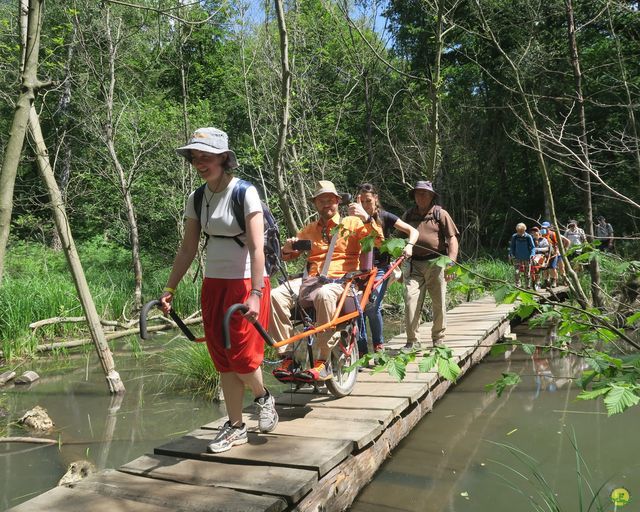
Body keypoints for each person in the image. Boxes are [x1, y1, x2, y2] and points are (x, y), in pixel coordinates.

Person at [160, 127, 277, 454]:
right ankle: (236, 426)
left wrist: (255, 292)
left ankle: (264, 397)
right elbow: (187, 249)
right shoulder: (196, 198)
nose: (199, 162)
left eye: (206, 156)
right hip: (214, 285)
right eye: (195, 157)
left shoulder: (245, 192)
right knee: (223, 359)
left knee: (242, 357)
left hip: (245, 283)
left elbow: (257, 248)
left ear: (224, 158)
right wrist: (170, 287)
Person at [269, 180, 383, 382]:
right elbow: (288, 256)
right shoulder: (309, 229)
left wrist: (366, 218)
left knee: (324, 293)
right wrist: (287, 247)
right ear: (315, 204)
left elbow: (378, 241)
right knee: (275, 295)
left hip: (343, 282)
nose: (326, 204)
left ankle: (322, 361)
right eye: (322, 201)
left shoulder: (352, 223)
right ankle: (287, 357)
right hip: (311, 281)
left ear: (338, 202)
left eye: (330, 200)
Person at [352, 183, 419, 354]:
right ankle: (361, 352)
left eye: (368, 201)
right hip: (358, 270)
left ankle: (378, 346)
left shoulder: (385, 216)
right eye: (362, 202)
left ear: (376, 199)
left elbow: (413, 231)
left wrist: (409, 246)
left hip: (380, 269)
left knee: (372, 305)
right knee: (357, 309)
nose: (366, 205)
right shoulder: (353, 220)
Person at [401, 180, 459, 349]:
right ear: (414, 196)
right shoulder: (408, 215)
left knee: (438, 301)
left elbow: (452, 238)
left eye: (425, 193)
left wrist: (451, 262)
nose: (421, 196)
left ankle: (438, 338)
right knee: (410, 299)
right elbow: (399, 238)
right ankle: (412, 341)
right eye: (418, 193)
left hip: (436, 262)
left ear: (432, 196)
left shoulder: (440, 214)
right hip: (413, 265)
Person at [508, 222, 535, 287]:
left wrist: (532, 254)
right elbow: (512, 247)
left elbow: (533, 247)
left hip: (527, 257)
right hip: (517, 257)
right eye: (518, 231)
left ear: (524, 230)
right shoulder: (514, 236)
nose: (519, 232)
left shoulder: (528, 237)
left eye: (521, 231)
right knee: (517, 272)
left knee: (527, 273)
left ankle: (527, 285)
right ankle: (518, 285)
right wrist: (511, 254)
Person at [540, 221, 559, 287]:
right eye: (542, 227)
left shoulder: (552, 234)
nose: (544, 229)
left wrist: (556, 252)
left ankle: (554, 281)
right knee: (544, 268)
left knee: (552, 268)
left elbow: (556, 244)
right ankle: (546, 282)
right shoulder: (540, 234)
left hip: (552, 253)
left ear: (549, 228)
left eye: (545, 227)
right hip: (544, 253)